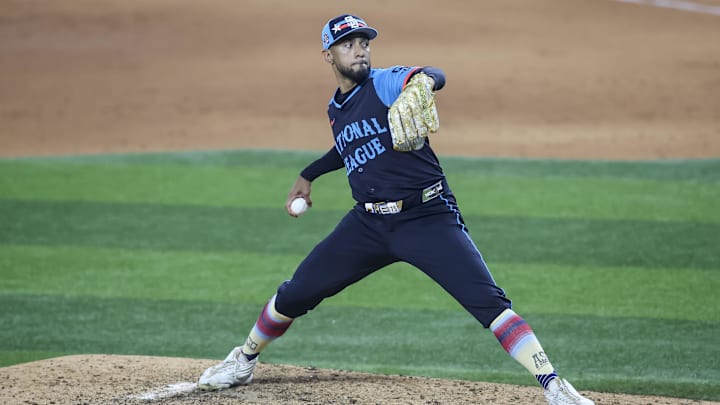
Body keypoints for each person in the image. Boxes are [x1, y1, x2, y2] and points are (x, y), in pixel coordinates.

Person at [198, 14, 594, 405]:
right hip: (367, 224)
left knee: (489, 303)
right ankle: (243, 359)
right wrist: (309, 173)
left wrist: (421, 82)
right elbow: (348, 147)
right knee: (296, 292)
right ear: (328, 55)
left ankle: (554, 386)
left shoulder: (386, 83)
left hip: (426, 217)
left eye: (364, 43)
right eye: (348, 44)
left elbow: (433, 74)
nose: (359, 50)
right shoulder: (336, 110)